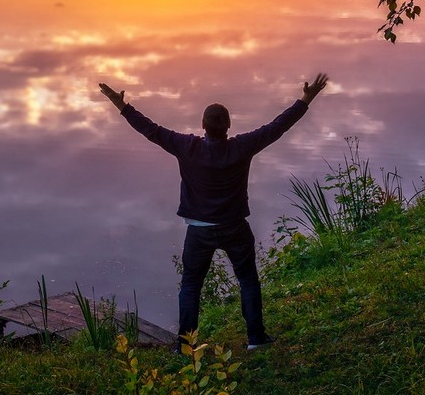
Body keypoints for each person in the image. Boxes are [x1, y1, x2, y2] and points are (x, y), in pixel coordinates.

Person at [98, 73, 329, 350]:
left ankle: (186, 345)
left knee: (191, 286)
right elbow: (277, 127)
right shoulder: (241, 146)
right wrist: (306, 99)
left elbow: (152, 130)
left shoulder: (188, 147)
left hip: (199, 230)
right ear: (229, 126)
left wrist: (122, 106)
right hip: (234, 227)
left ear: (202, 126)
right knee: (247, 281)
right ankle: (256, 339)